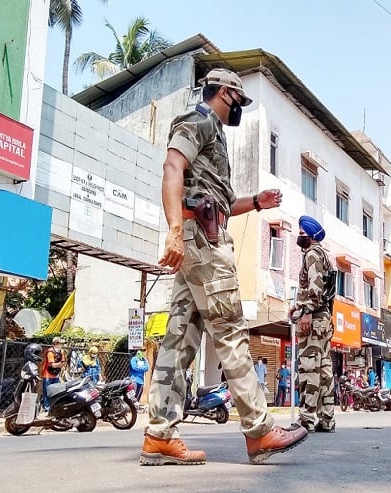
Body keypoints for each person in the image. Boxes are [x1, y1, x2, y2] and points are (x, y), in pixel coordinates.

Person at [140, 68, 307, 466]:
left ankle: (159, 435)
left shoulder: (215, 135)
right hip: (203, 243)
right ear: (227, 93)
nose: (240, 111)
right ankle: (260, 430)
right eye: (241, 102)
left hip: (200, 239)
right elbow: (171, 169)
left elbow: (218, 203)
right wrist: (175, 231)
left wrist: (256, 202)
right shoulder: (197, 121)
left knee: (180, 338)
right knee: (231, 330)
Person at [289, 215, 335, 433]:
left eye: (300, 234)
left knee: (309, 368)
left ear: (308, 236)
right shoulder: (324, 255)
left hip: (314, 318)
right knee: (324, 369)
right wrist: (298, 305)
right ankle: (327, 418)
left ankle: (306, 419)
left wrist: (306, 312)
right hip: (324, 318)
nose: (299, 238)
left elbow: (315, 288)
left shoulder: (312, 254)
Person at [41, 337, 66, 410]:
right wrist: (59, 364)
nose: (61, 345)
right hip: (48, 375)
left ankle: (54, 406)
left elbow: (63, 363)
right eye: (60, 343)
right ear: (56, 343)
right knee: (47, 391)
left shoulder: (61, 352)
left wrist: (58, 364)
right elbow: (52, 365)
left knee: (56, 391)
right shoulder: (50, 352)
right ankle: (47, 407)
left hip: (56, 374)